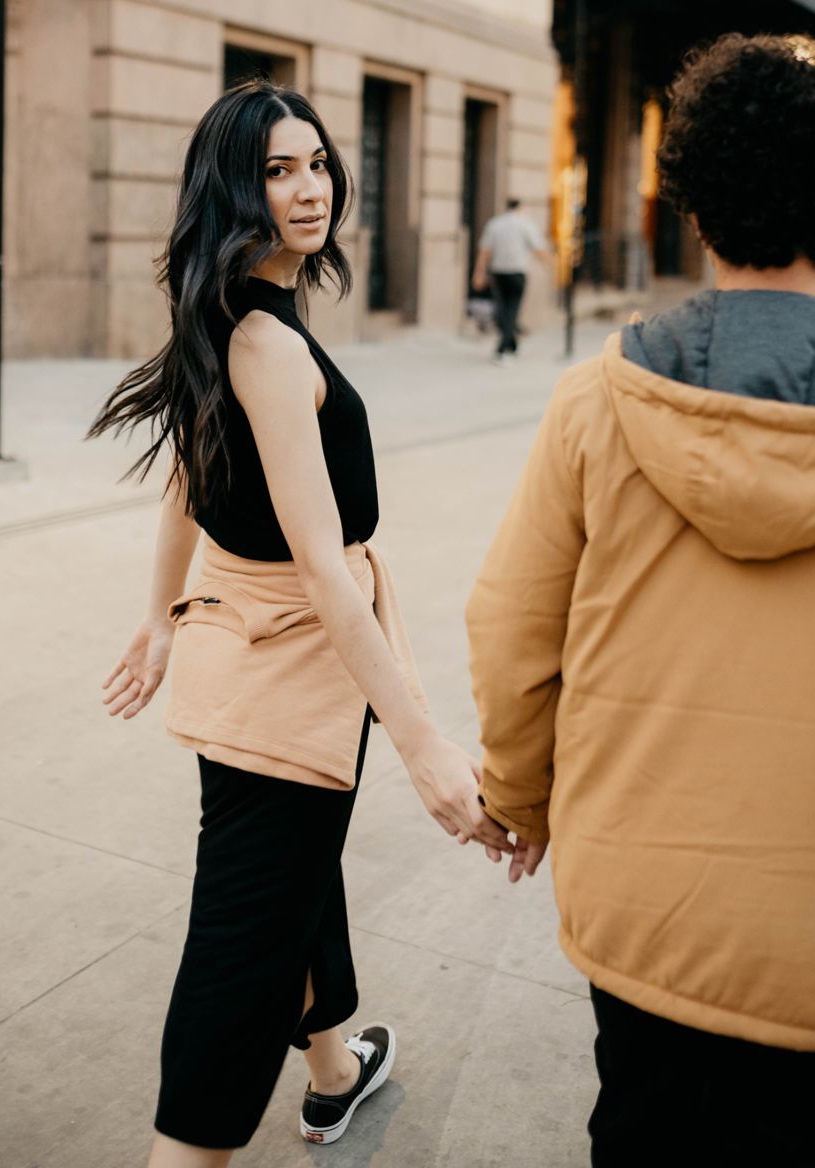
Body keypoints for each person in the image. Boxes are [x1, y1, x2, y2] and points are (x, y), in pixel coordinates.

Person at [466, 33, 815, 1167]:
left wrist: (520, 795)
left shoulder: (598, 398)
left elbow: (511, 628)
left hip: (650, 900)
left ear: (691, 203)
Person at [90, 80, 510, 1168]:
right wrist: (424, 743)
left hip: (254, 655)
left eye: (316, 161)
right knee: (238, 949)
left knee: (294, 866)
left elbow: (192, 469)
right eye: (279, 170)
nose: (308, 186)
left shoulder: (229, 304)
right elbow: (326, 569)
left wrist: (161, 614)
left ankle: (330, 1074)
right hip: (290, 666)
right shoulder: (267, 346)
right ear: (237, 187)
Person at [471, 197, 550, 358]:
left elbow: (484, 251)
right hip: (517, 272)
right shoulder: (526, 224)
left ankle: (510, 344)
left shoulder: (495, 224)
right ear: (520, 207)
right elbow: (539, 249)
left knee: (502, 308)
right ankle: (503, 347)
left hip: (499, 272)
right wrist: (551, 264)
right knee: (512, 309)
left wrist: (479, 272)